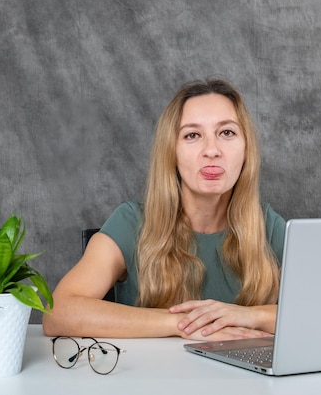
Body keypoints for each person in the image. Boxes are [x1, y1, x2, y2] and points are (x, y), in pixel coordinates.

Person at [42, 79, 286, 341]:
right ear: (172, 153)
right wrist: (185, 323)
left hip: (245, 382)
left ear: (246, 149)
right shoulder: (131, 222)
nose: (212, 151)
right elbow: (58, 313)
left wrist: (250, 315)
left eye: (227, 133)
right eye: (192, 135)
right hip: (152, 379)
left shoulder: (268, 225)